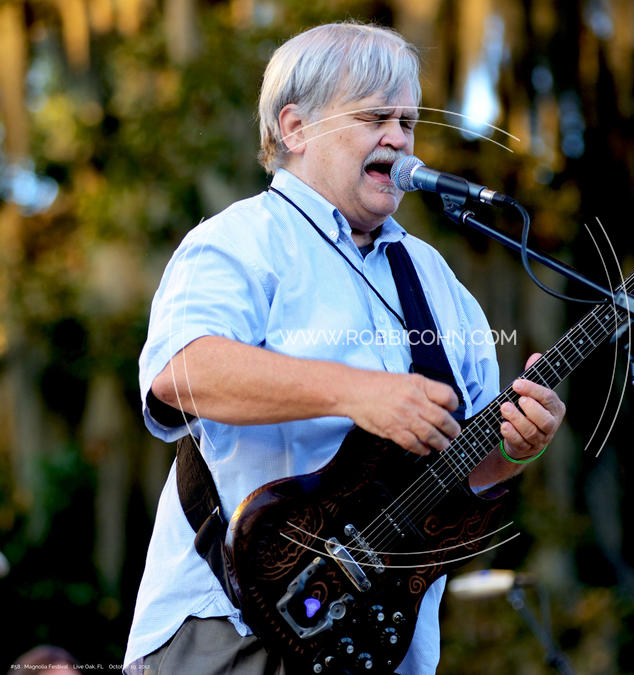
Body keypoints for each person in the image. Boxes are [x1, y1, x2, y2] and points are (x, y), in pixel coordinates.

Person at [124, 21, 566, 675]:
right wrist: (357, 392)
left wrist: (514, 447)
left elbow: (453, 482)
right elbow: (179, 371)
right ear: (295, 128)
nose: (398, 137)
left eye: (408, 122)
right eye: (374, 116)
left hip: (381, 653)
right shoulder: (242, 239)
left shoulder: (436, 282)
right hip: (225, 630)